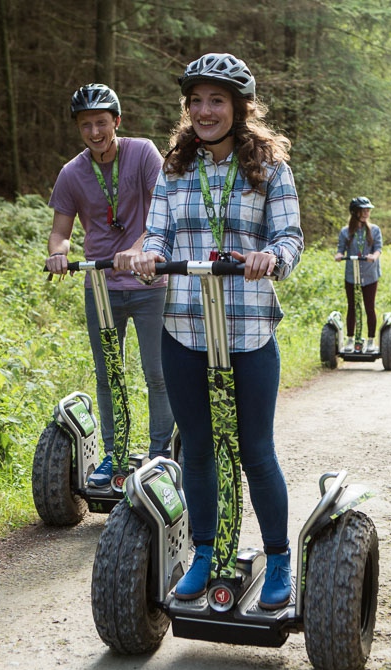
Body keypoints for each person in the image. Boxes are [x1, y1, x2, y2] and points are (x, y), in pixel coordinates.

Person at [120, 53, 304, 610]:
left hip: (248, 328)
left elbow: (291, 239)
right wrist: (148, 257)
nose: (204, 111)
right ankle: (203, 554)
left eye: (216, 100)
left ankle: (277, 560)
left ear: (240, 108)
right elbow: (157, 234)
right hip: (185, 327)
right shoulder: (173, 169)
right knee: (195, 448)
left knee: (255, 449)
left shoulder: (270, 169)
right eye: (196, 101)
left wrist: (270, 257)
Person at [45, 83, 175, 487]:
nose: (95, 132)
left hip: (150, 282)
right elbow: (60, 232)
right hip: (101, 286)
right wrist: (59, 253)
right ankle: (114, 456)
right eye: (86, 125)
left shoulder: (142, 153)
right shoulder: (72, 172)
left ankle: (160, 455)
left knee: (157, 373)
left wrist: (139, 249)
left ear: (116, 121)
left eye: (102, 122)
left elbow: (160, 213)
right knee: (109, 375)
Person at [334, 196, 383, 353]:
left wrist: (374, 257)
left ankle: (370, 340)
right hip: (351, 275)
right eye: (363, 210)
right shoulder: (345, 231)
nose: (367, 212)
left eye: (368, 210)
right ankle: (350, 340)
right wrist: (339, 255)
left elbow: (378, 248)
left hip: (370, 275)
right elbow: (341, 248)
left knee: (369, 307)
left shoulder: (374, 230)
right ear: (355, 212)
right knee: (352, 307)